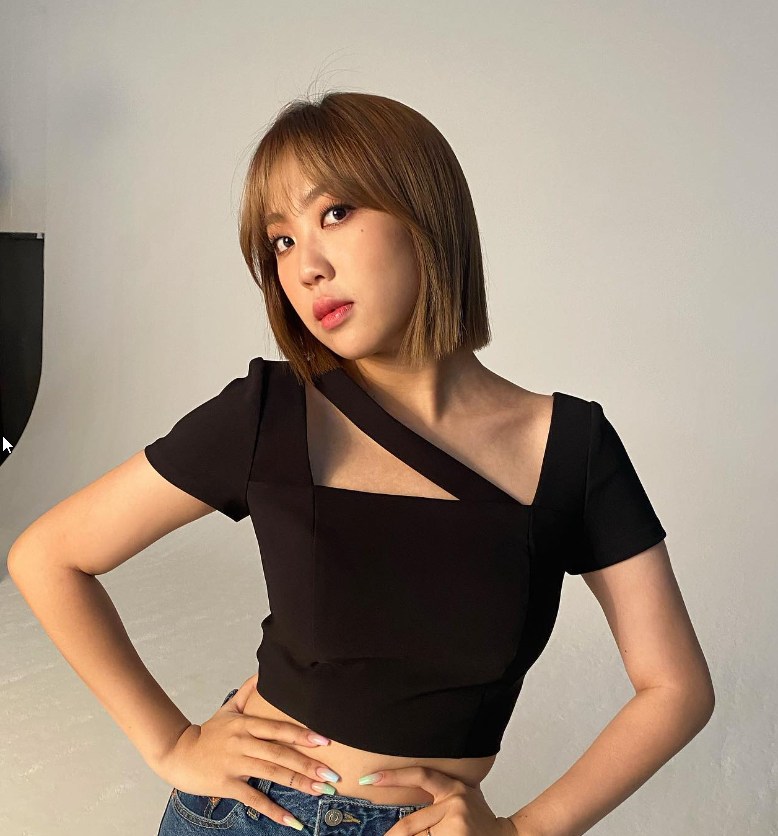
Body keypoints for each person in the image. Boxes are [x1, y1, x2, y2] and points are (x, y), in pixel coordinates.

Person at [9, 91, 715, 836]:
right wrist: (172, 744)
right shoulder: (269, 413)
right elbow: (48, 557)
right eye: (281, 241)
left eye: (336, 213)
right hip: (251, 818)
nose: (306, 267)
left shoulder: (571, 449)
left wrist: (524, 831)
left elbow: (675, 687)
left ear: (425, 213)